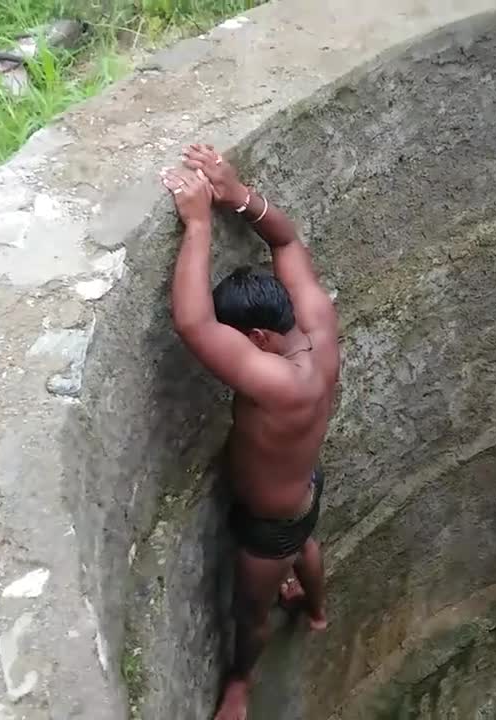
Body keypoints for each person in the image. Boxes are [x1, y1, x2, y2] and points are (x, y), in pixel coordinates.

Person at [160, 145, 340, 720]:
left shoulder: (276, 383)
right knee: (306, 540)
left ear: (259, 337)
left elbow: (193, 323)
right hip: (303, 489)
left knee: (251, 612)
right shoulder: (316, 321)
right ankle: (316, 611)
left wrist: (197, 225)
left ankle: (241, 682)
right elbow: (285, 242)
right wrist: (238, 197)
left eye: (239, 340)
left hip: (269, 526)